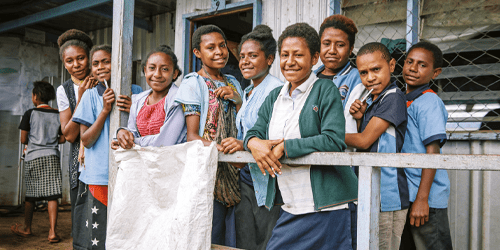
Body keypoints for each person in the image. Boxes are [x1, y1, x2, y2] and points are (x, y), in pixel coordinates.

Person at [244, 23, 358, 250]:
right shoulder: (275, 96)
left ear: (314, 58)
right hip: (291, 203)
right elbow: (255, 131)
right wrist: (253, 143)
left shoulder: (326, 90)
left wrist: (286, 146)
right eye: (285, 55)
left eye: (298, 55)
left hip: (326, 206)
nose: (290, 61)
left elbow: (334, 140)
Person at [174, 24, 243, 247]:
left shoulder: (233, 82)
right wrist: (220, 149)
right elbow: (192, 136)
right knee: (210, 230)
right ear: (197, 53)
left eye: (222, 46)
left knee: (231, 231)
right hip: (208, 169)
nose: (219, 52)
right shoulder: (193, 83)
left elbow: (245, 123)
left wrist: (237, 99)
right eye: (210, 47)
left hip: (236, 167)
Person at [218, 25, 283, 250]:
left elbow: (274, 136)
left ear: (270, 59)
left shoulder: (277, 89)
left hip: (269, 180)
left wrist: (241, 144)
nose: (245, 61)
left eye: (253, 56)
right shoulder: (248, 91)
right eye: (242, 56)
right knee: (245, 241)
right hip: (247, 177)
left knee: (267, 240)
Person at [344, 42, 408, 250]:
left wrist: (328, 136)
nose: (370, 77)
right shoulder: (374, 99)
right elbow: (373, 140)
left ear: (391, 65)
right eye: (363, 73)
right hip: (370, 192)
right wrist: (360, 118)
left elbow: (364, 141)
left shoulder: (394, 97)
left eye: (376, 69)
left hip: (387, 195)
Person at [398, 42, 452, 250]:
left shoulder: (429, 102)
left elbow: (433, 152)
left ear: (435, 72)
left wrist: (422, 199)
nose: (413, 68)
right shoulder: (403, 100)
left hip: (426, 198)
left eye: (422, 65)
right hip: (408, 195)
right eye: (410, 62)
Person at [71, 44, 118, 250]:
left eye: (106, 61)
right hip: (98, 175)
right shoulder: (90, 96)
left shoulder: (133, 92)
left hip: (127, 174)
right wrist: (105, 111)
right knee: (98, 234)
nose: (100, 67)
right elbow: (86, 140)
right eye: (95, 63)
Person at [55, 29, 96, 246]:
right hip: (79, 162)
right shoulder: (64, 90)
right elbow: (69, 135)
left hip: (104, 157)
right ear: (64, 63)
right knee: (82, 219)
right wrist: (81, 98)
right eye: (69, 61)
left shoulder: (103, 79)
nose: (76, 64)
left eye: (81, 58)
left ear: (89, 57)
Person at [11, 81, 65, 243]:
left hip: (33, 156)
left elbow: (23, 139)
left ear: (35, 97)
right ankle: (53, 232)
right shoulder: (58, 114)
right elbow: (62, 139)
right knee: (52, 195)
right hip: (52, 156)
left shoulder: (29, 113)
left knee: (31, 196)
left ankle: (27, 229)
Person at [113, 45, 186, 148]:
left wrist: (133, 142)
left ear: (174, 74)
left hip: (172, 161)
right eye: (152, 68)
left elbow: (164, 142)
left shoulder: (178, 99)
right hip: (143, 163)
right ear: (145, 70)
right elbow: (132, 132)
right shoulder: (138, 100)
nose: (157, 74)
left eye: (164, 69)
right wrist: (121, 134)